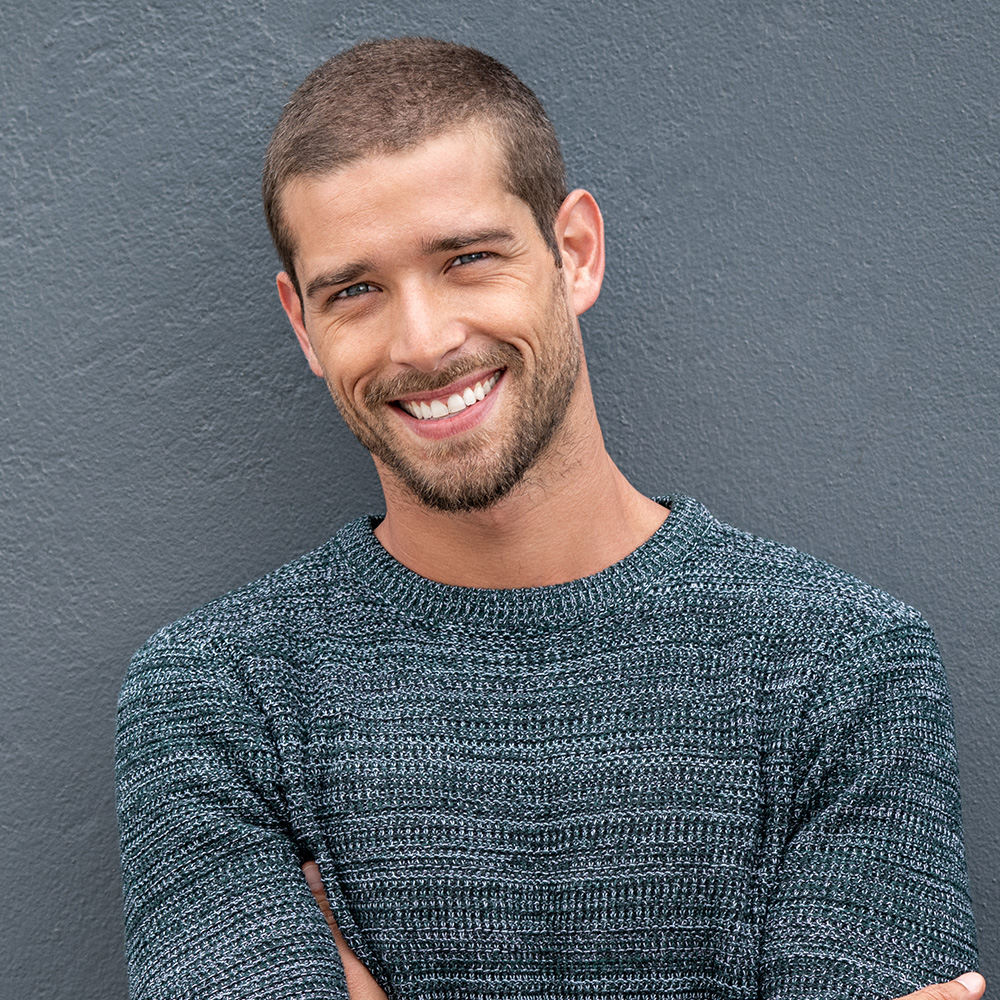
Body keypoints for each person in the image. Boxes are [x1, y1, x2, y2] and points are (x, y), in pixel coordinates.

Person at [116, 37, 982, 1000]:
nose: (424, 339)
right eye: (354, 290)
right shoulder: (217, 701)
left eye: (468, 259)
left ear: (574, 254)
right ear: (302, 324)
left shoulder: (842, 666)